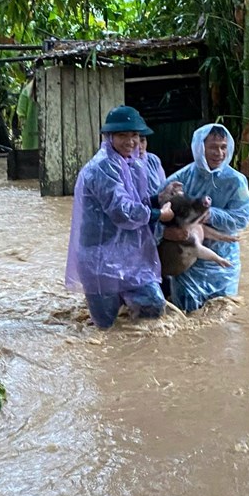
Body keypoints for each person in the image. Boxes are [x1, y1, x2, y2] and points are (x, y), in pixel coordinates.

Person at [65, 104, 175, 329]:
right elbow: (122, 212)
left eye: (134, 135)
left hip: (130, 258)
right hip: (100, 261)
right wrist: (159, 215)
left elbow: (135, 202)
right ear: (109, 137)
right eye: (122, 135)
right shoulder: (102, 168)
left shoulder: (129, 164)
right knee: (106, 328)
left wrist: (157, 199)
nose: (130, 141)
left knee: (153, 305)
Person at [164, 123, 249, 311]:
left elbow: (242, 218)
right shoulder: (180, 179)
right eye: (212, 147)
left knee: (225, 318)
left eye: (223, 147)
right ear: (199, 147)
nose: (218, 153)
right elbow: (159, 214)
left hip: (224, 261)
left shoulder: (235, 181)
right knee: (186, 317)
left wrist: (211, 215)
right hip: (187, 262)